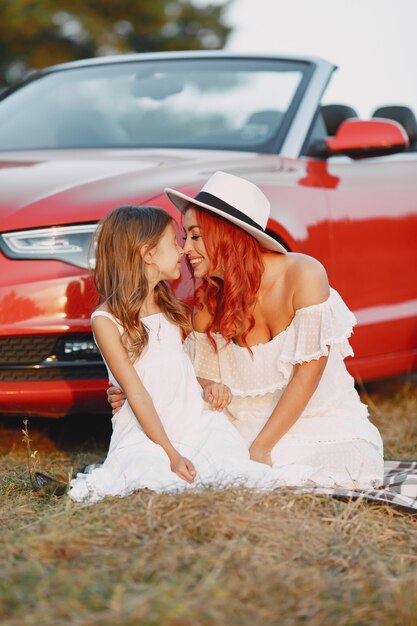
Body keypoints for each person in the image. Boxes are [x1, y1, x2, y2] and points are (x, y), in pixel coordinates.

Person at [108, 172, 384, 490]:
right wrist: (133, 389)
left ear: (229, 234)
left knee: (350, 463)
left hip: (315, 416)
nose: (185, 249)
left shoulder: (304, 275)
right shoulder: (208, 307)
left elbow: (308, 376)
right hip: (236, 423)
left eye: (195, 236)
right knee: (201, 465)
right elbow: (194, 385)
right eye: (184, 237)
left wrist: (261, 449)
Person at [69, 205, 316, 504]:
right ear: (148, 254)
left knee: (228, 467)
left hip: (191, 419)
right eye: (174, 241)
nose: (182, 250)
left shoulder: (168, 307)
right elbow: (137, 392)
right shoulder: (106, 321)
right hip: (149, 430)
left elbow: (177, 369)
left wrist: (207, 384)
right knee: (151, 473)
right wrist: (171, 453)